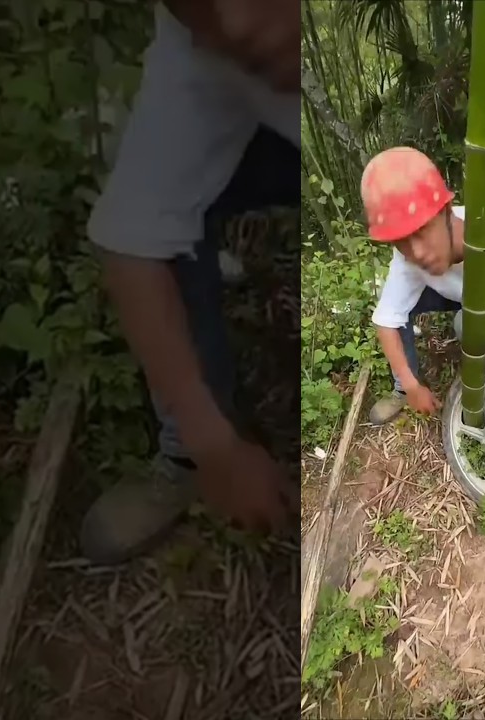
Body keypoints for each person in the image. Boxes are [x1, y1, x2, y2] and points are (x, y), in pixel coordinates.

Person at [79, 0, 300, 565]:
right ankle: (183, 458)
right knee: (173, 213)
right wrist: (211, 444)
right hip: (264, 136)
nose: (237, 23)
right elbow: (133, 236)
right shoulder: (201, 38)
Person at [362, 147, 485, 425]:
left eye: (421, 232)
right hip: (453, 292)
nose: (416, 252)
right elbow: (386, 320)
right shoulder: (409, 256)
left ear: (446, 212)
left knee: (466, 323)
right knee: (397, 309)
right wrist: (410, 385)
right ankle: (400, 390)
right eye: (401, 241)